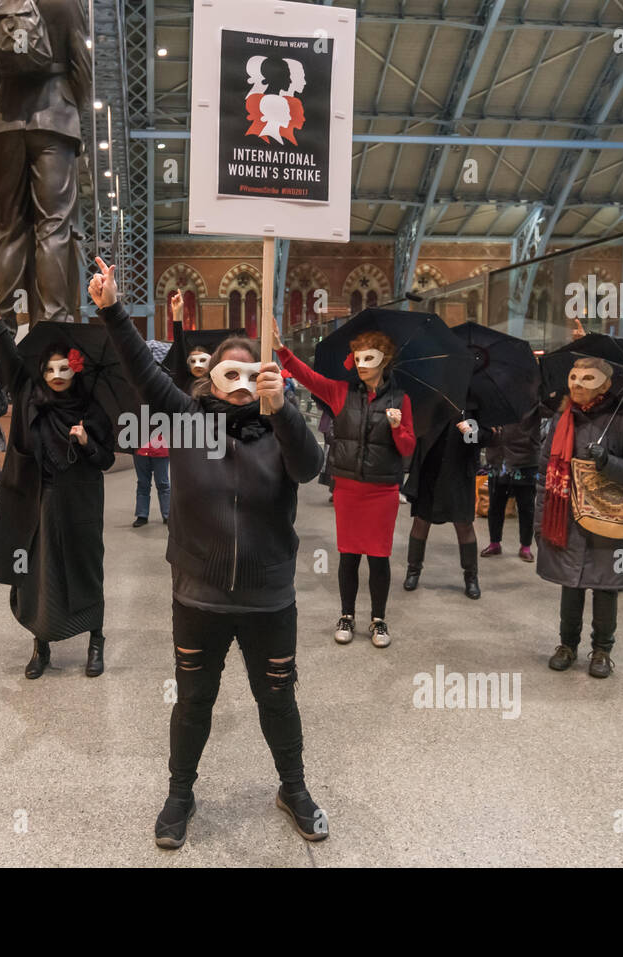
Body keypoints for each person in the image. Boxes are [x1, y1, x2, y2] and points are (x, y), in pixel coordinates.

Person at [91, 256, 328, 849]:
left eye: (252, 375)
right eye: (230, 373)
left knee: (277, 697)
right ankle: (180, 791)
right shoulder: (190, 423)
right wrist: (113, 309)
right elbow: (144, 373)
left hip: (270, 596)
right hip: (198, 593)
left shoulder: (281, 429)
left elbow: (311, 467)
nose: (241, 383)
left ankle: (292, 786)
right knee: (194, 698)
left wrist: (286, 411)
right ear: (211, 378)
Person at [0, 280, 115, 679]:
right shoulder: (28, 395)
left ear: (76, 370)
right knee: (36, 575)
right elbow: (8, 358)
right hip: (34, 503)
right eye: (50, 369)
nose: (57, 376)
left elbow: (105, 459)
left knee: (86, 569)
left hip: (80, 505)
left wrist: (88, 441)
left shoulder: (91, 407)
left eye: (65, 369)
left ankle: (95, 640)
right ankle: (40, 645)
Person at [274, 318, 416, 648]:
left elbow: (408, 449)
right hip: (349, 488)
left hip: (383, 489)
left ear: (385, 360)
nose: (362, 365)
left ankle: (379, 619)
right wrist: (282, 350)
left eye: (370, 358)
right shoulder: (340, 392)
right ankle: (347, 614)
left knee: (379, 556)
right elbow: (308, 377)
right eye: (358, 358)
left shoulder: (401, 400)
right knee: (349, 555)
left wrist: (398, 427)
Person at [537, 357, 623, 678]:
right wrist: (540, 524)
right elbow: (543, 474)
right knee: (571, 584)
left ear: (606, 385)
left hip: (610, 521)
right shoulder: (562, 420)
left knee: (606, 587)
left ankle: (602, 651)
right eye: (574, 376)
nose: (578, 384)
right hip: (566, 518)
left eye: (588, 378)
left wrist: (609, 462)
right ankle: (566, 645)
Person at [0, 0, 91, 325]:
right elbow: (81, 64)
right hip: (56, 118)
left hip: (5, 122)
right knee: (53, 227)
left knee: (9, 230)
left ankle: (3, 328)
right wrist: (70, 105)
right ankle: (54, 325)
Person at [402, 410, 491, 600]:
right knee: (420, 520)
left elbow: (486, 435)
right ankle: (413, 571)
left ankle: (471, 577)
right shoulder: (434, 396)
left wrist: (469, 430)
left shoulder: (474, 400)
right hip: (428, 468)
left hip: (459, 471)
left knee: (464, 524)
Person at [480, 413, 541, 563]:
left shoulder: (531, 395)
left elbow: (548, 410)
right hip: (497, 457)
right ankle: (495, 543)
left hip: (525, 458)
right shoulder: (495, 399)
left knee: (526, 507)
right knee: (495, 505)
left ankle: (525, 546)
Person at [132, 424, 170, 527]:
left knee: (163, 484)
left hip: (161, 449)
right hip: (140, 448)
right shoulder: (135, 410)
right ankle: (142, 515)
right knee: (143, 483)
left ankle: (168, 515)